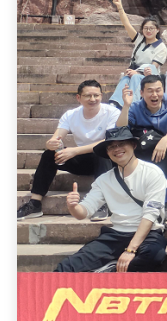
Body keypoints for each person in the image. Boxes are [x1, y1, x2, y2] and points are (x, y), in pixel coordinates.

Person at [55, 126, 167, 272]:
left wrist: (130, 250)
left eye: (121, 144)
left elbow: (150, 215)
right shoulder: (104, 180)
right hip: (116, 234)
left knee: (154, 255)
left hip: (149, 233)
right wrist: (73, 207)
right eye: (111, 147)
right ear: (107, 152)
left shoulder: (153, 173)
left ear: (133, 145)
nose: (117, 149)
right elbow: (85, 211)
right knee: (67, 267)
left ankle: (110, 271)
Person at [17, 80, 118, 221]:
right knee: (49, 154)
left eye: (96, 95)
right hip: (82, 161)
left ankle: (102, 202)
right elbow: (56, 137)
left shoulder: (112, 112)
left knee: (102, 151)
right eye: (88, 96)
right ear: (78, 98)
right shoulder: (71, 115)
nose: (93, 99)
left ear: (101, 96)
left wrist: (75, 151)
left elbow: (109, 141)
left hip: (105, 161)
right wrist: (51, 144)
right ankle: (35, 203)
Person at [116, 75, 167, 175]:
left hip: (164, 147)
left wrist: (164, 140)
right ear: (141, 93)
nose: (155, 95)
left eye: (158, 90)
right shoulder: (135, 107)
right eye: (150, 91)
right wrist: (126, 106)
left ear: (163, 91)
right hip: (142, 146)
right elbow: (121, 129)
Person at [109, 0, 167, 107]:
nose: (148, 31)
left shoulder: (161, 47)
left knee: (135, 77)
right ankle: (115, 103)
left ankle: (131, 105)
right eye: (146, 28)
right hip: (133, 71)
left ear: (157, 30)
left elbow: (153, 67)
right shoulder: (139, 40)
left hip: (150, 75)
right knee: (125, 79)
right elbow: (126, 24)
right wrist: (119, 6)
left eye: (151, 28)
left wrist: (138, 72)